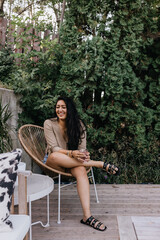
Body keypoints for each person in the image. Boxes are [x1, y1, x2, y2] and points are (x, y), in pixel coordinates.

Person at [43, 96, 119, 231]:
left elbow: (82, 149)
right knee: (54, 155)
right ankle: (99, 164)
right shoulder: (49, 123)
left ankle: (87, 217)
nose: (59, 110)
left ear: (69, 109)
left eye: (63, 107)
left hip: (73, 163)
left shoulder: (79, 125)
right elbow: (54, 148)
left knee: (82, 171)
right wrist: (72, 153)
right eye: (57, 107)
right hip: (54, 162)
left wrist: (84, 155)